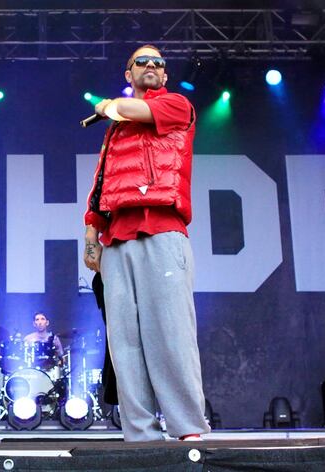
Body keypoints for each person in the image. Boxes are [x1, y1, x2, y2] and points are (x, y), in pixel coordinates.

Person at [83, 44, 209, 441]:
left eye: (159, 63)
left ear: (165, 75)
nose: (152, 66)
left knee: (170, 331)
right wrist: (91, 235)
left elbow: (136, 110)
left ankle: (187, 428)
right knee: (124, 342)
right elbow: (102, 184)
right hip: (117, 238)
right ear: (129, 73)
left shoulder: (175, 106)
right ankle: (140, 433)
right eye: (143, 61)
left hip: (162, 229)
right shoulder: (114, 133)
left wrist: (106, 105)